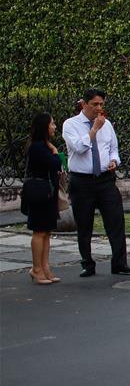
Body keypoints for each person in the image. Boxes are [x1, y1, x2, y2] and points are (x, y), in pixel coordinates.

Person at [62, 88, 130, 277]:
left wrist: (114, 161)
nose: (99, 108)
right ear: (84, 104)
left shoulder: (108, 125)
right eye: (95, 104)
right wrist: (94, 129)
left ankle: (119, 262)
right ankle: (87, 263)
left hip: (105, 180)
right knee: (84, 224)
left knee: (116, 220)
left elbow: (113, 149)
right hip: (82, 181)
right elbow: (79, 148)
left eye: (101, 104)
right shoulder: (71, 124)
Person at [24, 113, 61, 284]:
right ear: (44, 126)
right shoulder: (38, 147)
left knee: (47, 231)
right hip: (40, 193)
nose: (54, 127)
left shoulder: (44, 145)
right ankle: (36, 268)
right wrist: (55, 152)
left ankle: (45, 267)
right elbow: (54, 164)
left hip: (48, 192)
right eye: (52, 124)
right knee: (39, 231)